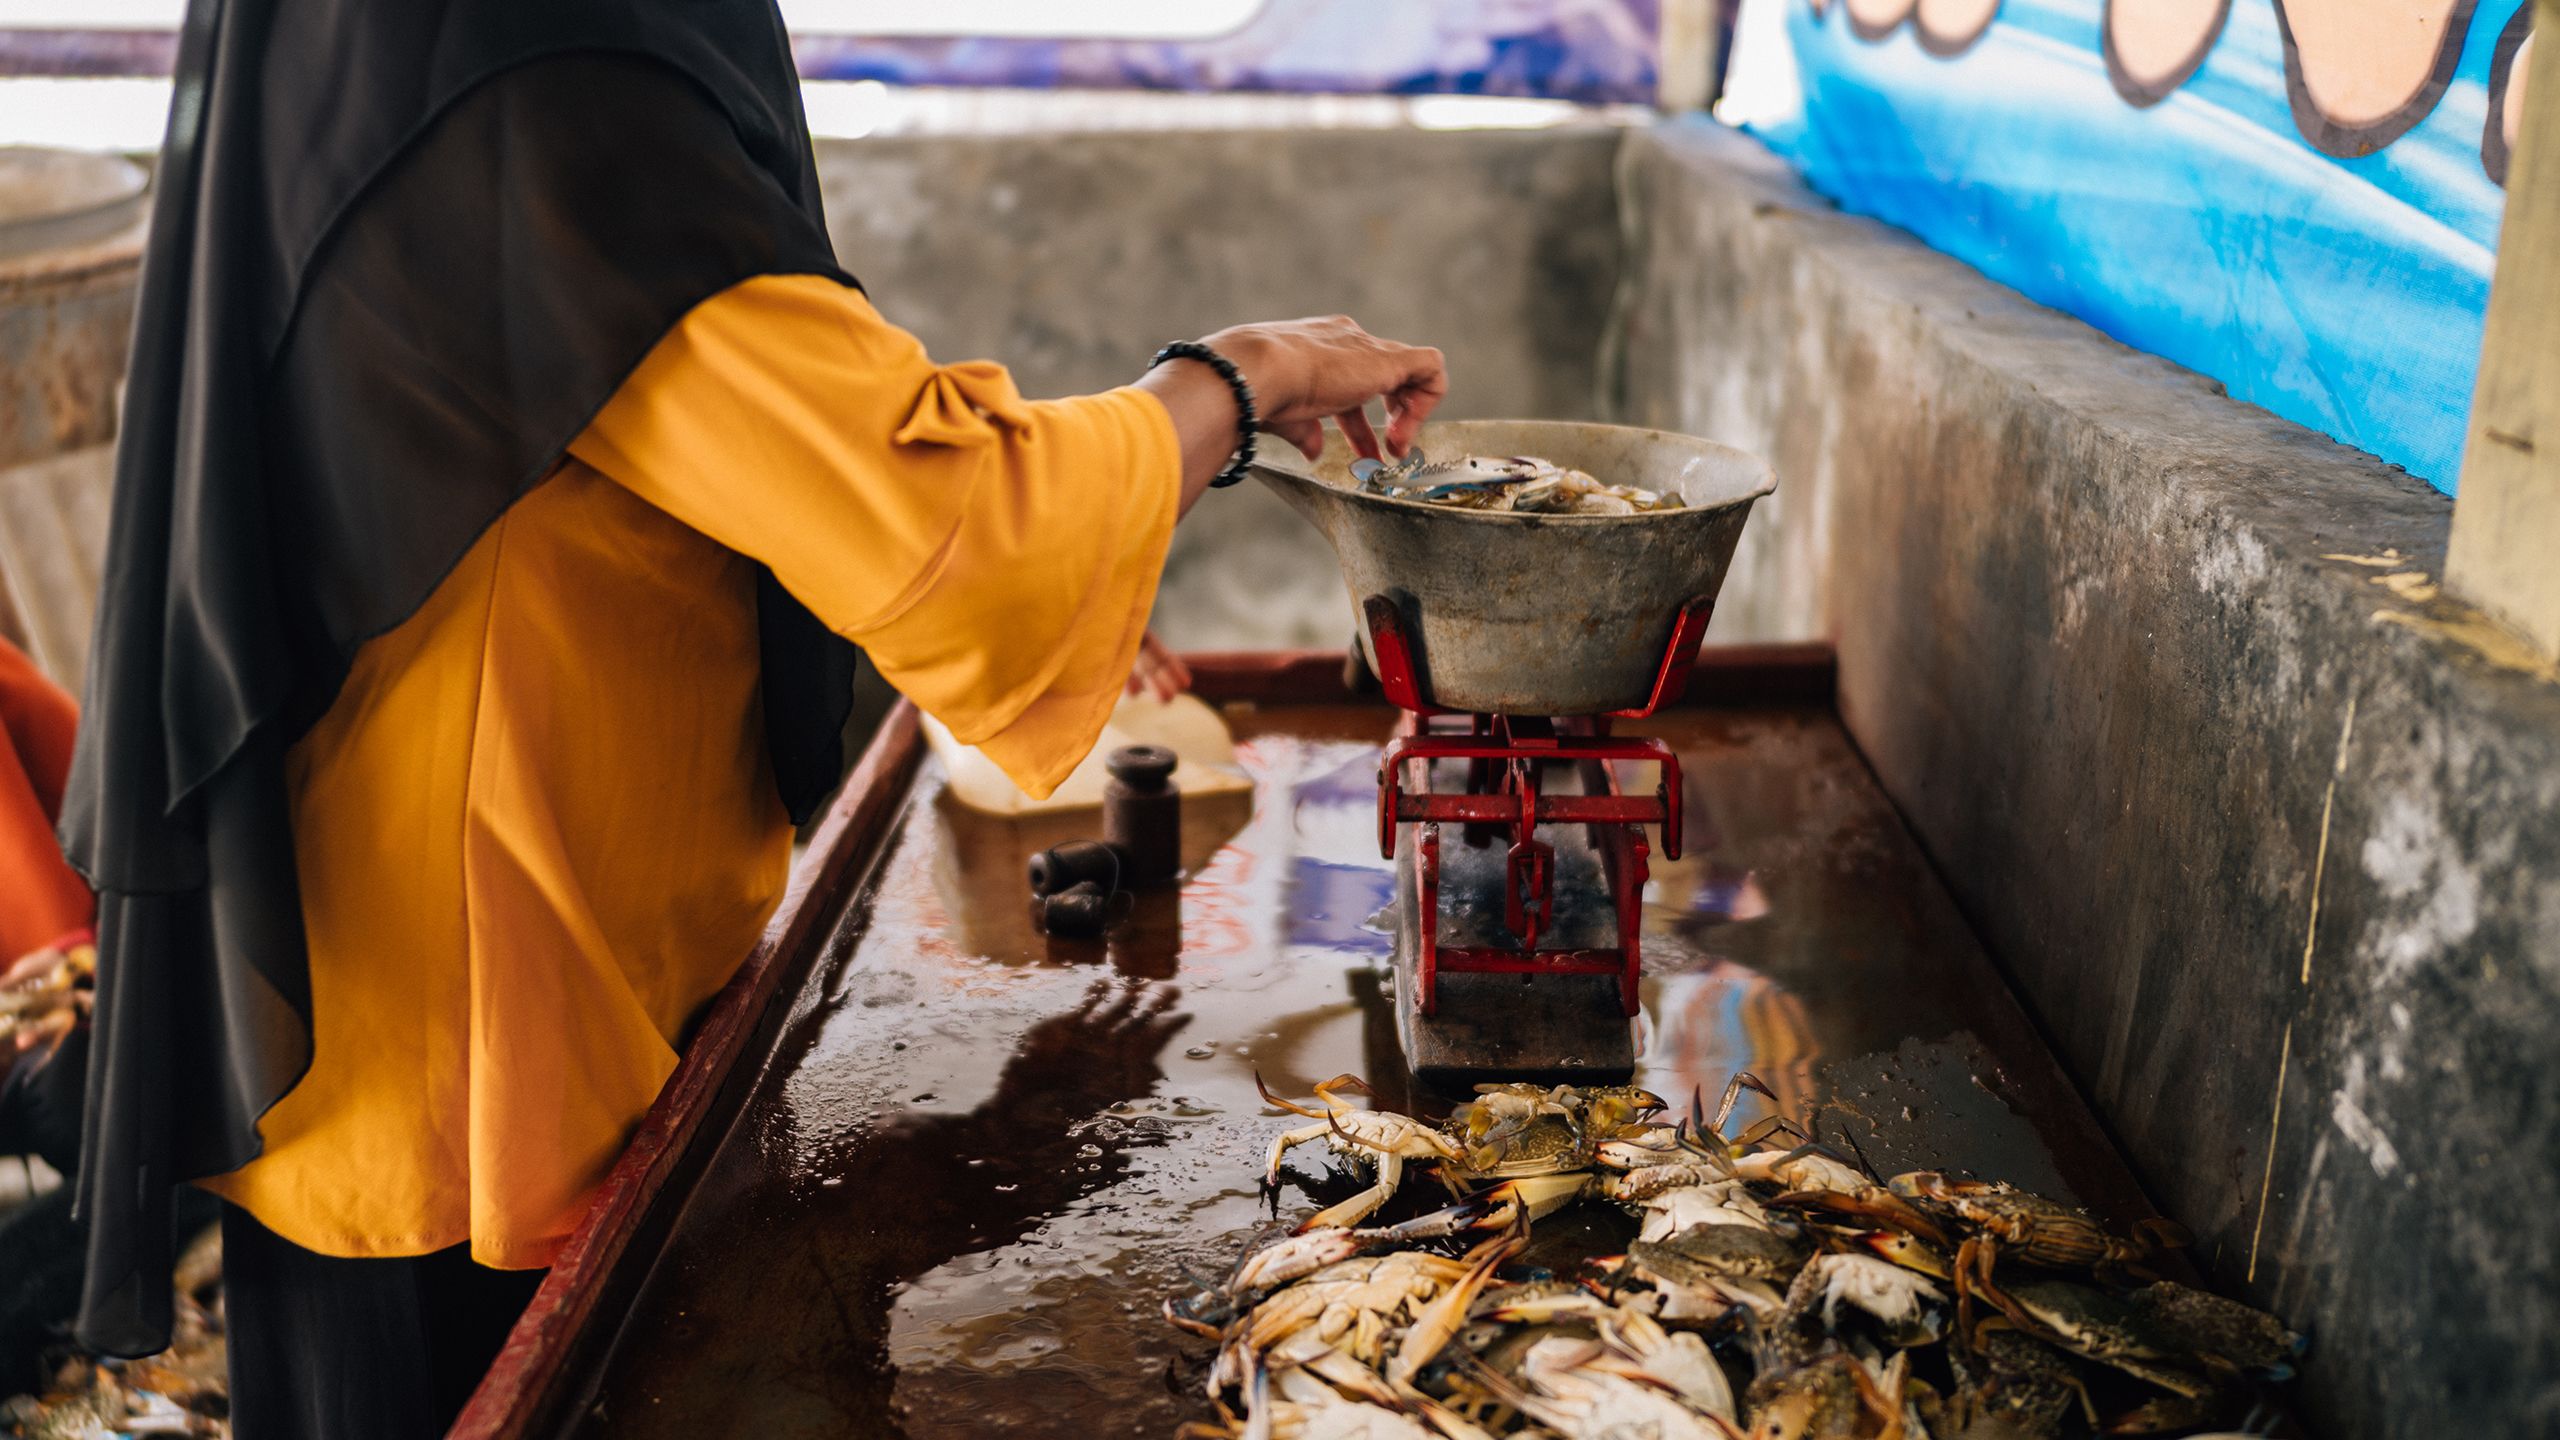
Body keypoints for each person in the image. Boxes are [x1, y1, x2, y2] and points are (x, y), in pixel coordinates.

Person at [59, 3, 1448, 1435]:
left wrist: (927, 576)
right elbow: (962, 529)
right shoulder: (532, 64)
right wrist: (1239, 379)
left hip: (463, 958)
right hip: (476, 1061)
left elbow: (696, 422)